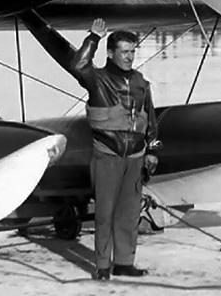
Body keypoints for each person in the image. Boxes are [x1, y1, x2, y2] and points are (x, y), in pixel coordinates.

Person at [71, 18, 159, 281]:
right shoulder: (97, 80)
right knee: (104, 214)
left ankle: (124, 262)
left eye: (133, 52)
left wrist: (154, 151)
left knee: (129, 214)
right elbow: (77, 65)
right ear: (111, 53)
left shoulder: (142, 83)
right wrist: (92, 38)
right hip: (107, 157)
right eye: (124, 52)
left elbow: (152, 121)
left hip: (135, 157)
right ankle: (102, 266)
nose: (130, 57)